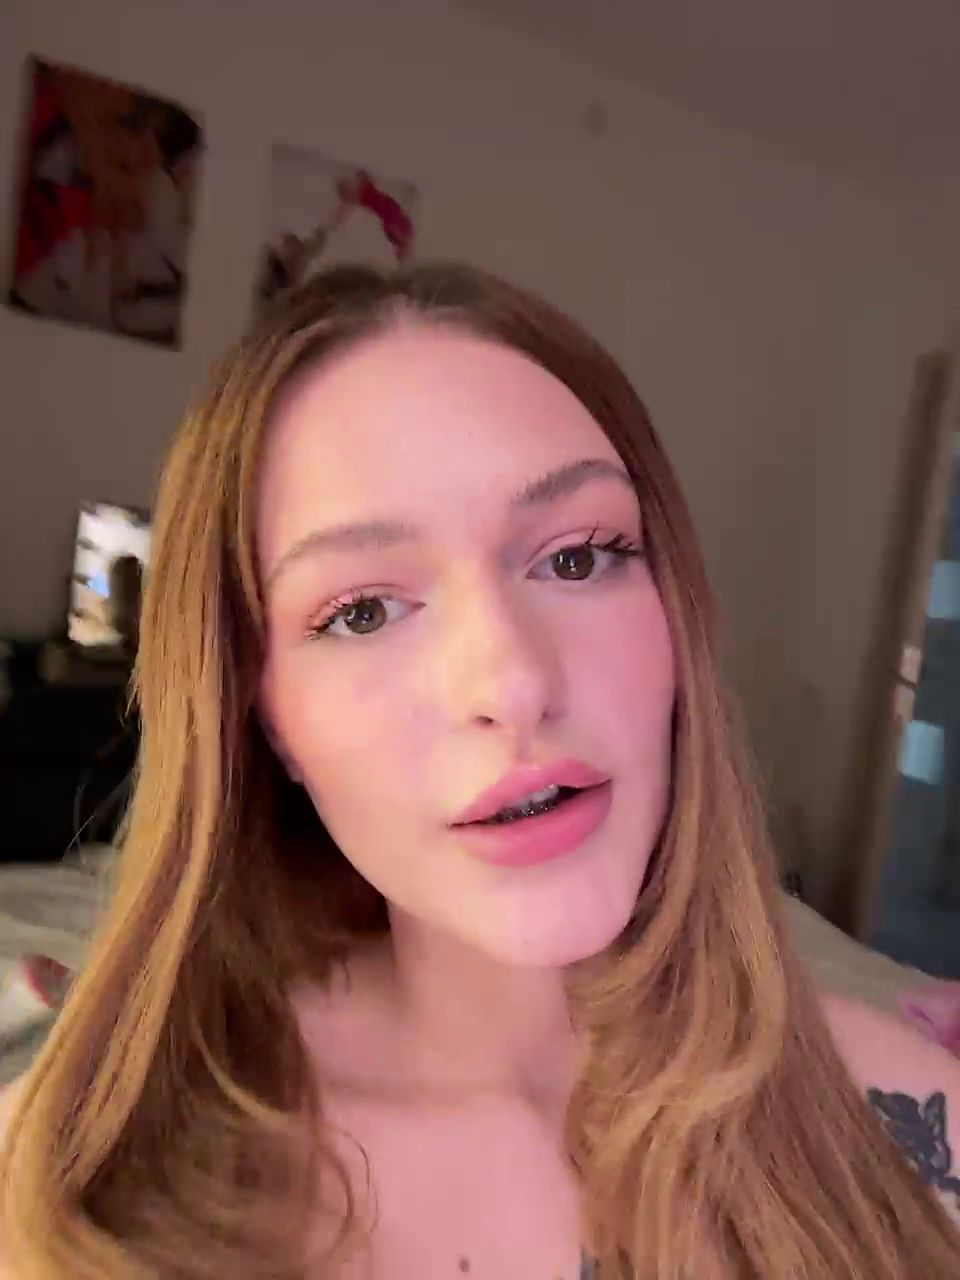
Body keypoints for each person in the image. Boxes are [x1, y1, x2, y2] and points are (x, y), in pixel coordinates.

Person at [1, 262, 959, 1279]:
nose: (513, 682)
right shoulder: (76, 1184)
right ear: (263, 716)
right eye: (362, 611)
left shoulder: (911, 1115)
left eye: (578, 557)